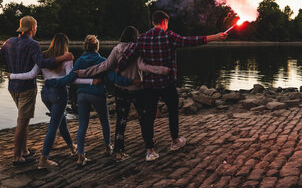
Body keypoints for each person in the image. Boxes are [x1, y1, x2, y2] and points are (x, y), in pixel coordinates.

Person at [117, 11, 227, 160]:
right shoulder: (169, 36)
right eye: (167, 23)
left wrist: (117, 69)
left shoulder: (142, 38)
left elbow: (127, 57)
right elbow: (191, 41)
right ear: (164, 22)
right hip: (167, 83)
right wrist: (215, 36)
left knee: (148, 117)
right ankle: (175, 141)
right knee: (173, 111)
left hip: (149, 85)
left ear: (153, 22)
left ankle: (150, 150)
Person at [0, 16, 73, 166]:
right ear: (32, 29)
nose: (36, 29)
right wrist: (62, 57)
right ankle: (17, 157)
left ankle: (24, 151)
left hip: (13, 88)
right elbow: (42, 63)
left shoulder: (9, 42)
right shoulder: (33, 44)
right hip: (27, 89)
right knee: (22, 122)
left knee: (24, 119)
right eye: (36, 27)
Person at [75, 26, 170, 162]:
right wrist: (162, 71)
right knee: (144, 119)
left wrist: (84, 73)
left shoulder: (117, 49)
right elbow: (145, 67)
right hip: (138, 89)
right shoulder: (139, 49)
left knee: (121, 120)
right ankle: (150, 149)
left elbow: (104, 66)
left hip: (121, 90)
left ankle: (119, 152)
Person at [8, 33, 101, 169]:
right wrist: (92, 81)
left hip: (45, 94)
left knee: (60, 119)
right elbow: (72, 79)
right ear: (65, 44)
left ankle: (71, 147)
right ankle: (43, 159)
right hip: (59, 94)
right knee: (53, 126)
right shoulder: (67, 58)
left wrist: (13, 76)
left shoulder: (43, 56)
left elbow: (31, 74)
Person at [45, 35, 135, 166]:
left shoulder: (80, 61)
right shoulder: (103, 60)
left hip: (82, 95)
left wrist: (52, 82)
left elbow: (69, 78)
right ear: (97, 47)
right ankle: (108, 147)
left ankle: (81, 155)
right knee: (104, 121)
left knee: (83, 125)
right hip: (98, 94)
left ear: (85, 46)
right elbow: (114, 79)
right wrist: (132, 81)